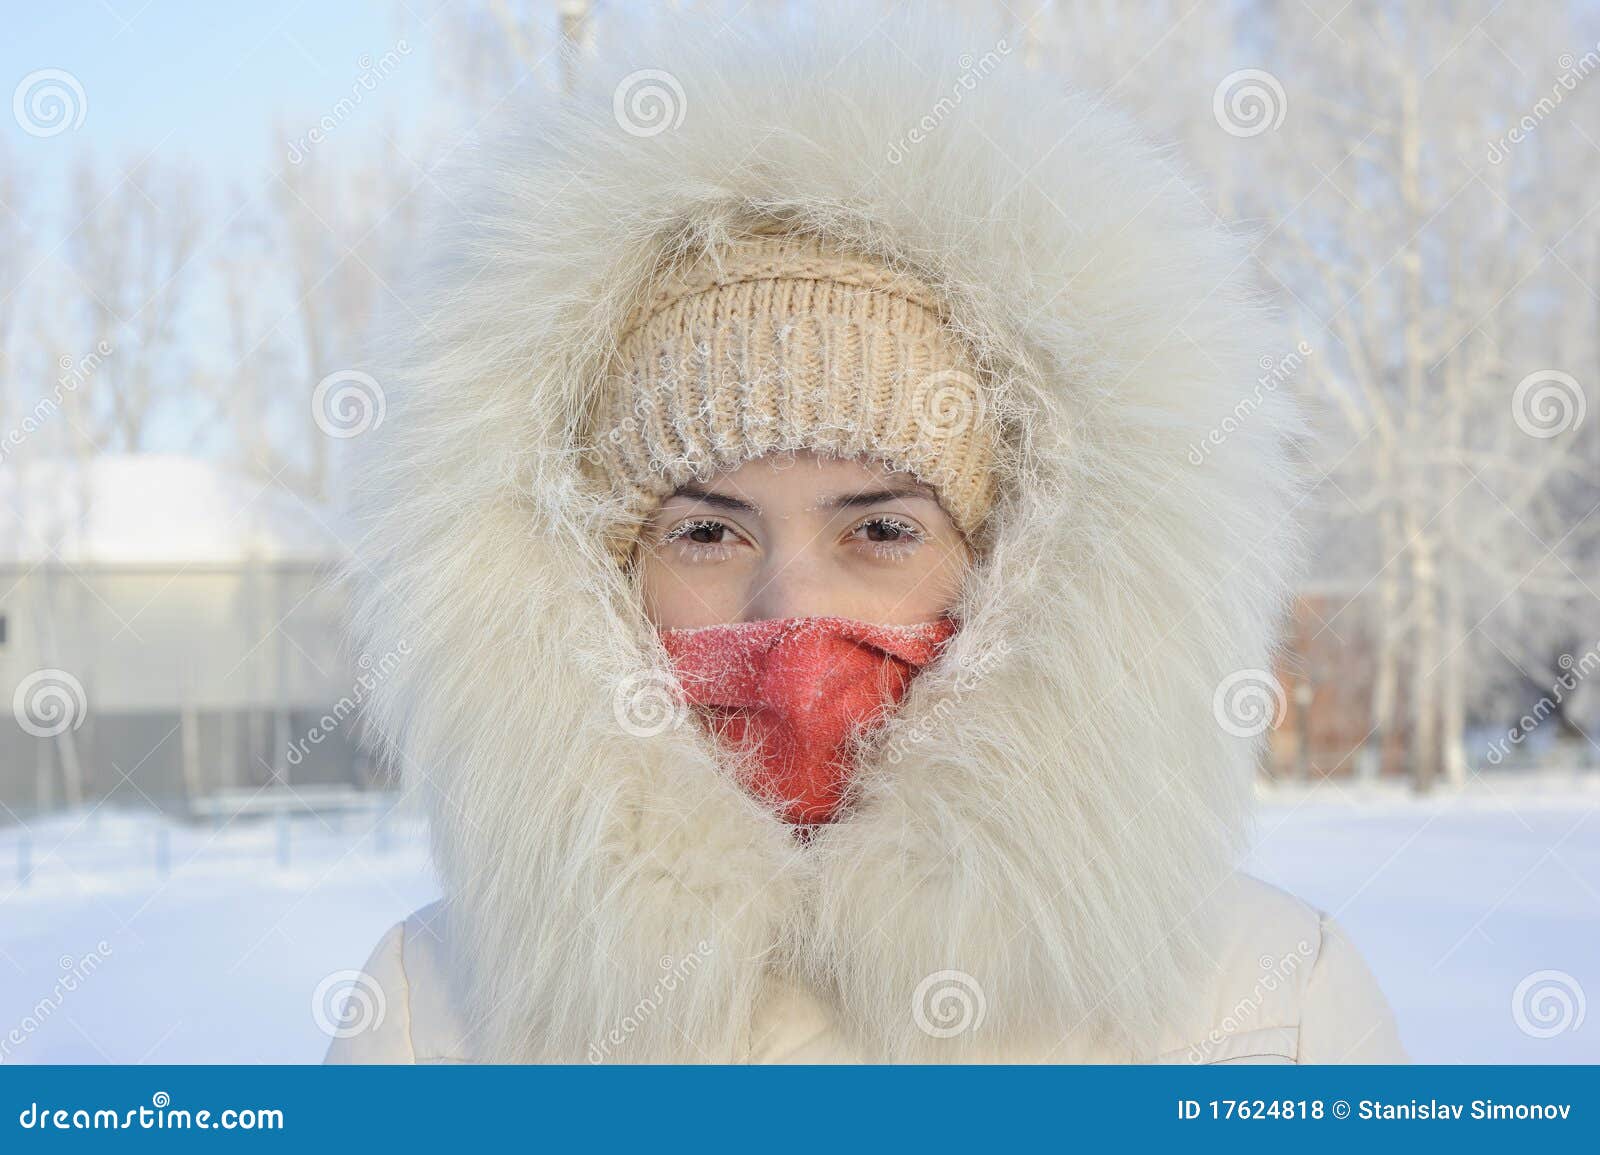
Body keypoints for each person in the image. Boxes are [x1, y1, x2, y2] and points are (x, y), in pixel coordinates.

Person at [326, 5, 1405, 1063]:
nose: (791, 606)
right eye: (705, 532)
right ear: (595, 574)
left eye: (881, 527)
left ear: (1016, 563)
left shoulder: (1267, 1010)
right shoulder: (434, 1024)